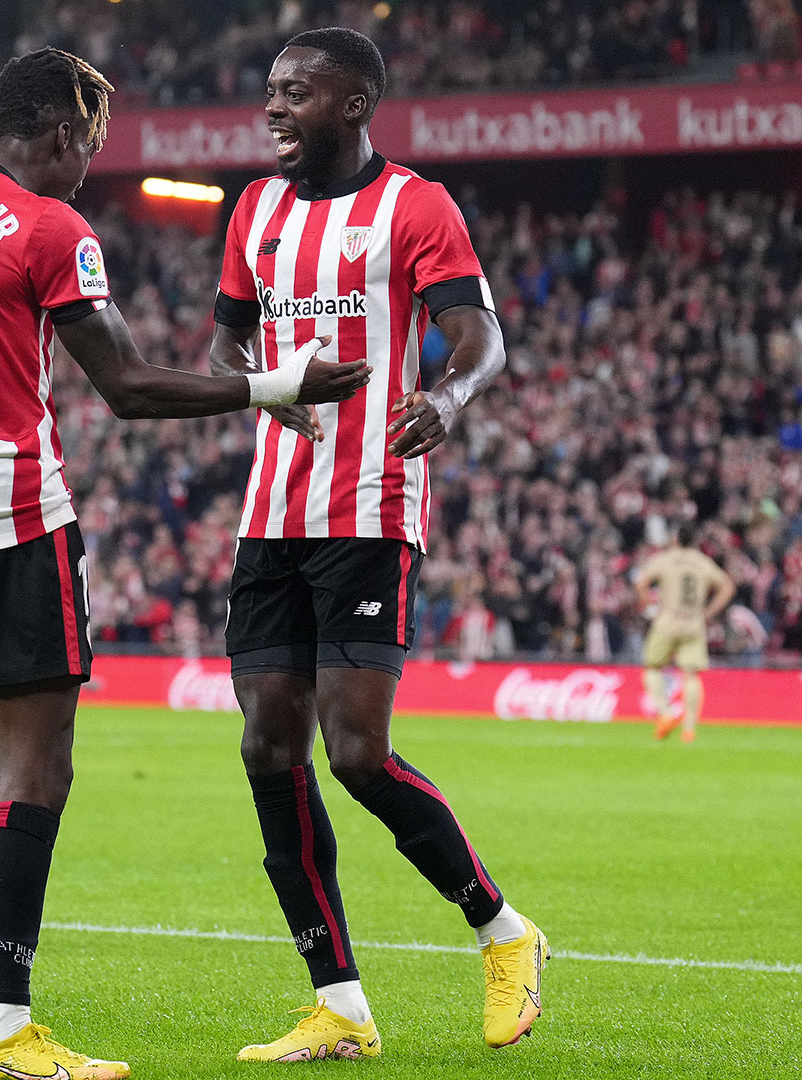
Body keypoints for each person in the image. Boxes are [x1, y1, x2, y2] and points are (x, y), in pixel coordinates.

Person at [0, 47, 369, 1080]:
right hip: (11, 518)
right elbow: (129, 387)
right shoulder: (51, 228)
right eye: (85, 150)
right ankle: (3, 1029)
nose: (86, 170)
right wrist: (275, 386)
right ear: (54, 133)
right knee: (37, 765)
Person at [205, 27, 546, 1061]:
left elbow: (479, 332)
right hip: (272, 514)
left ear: (353, 105)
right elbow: (226, 333)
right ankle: (340, 1006)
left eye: (294, 93)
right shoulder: (253, 210)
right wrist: (263, 385)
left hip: (370, 504)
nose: (272, 109)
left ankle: (504, 931)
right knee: (269, 746)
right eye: (268, 91)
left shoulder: (415, 205)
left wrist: (448, 392)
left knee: (354, 752)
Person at [633, 525, 736, 743]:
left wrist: (649, 605)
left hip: (668, 620)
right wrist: (709, 612)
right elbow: (727, 587)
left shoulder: (665, 559)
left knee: (652, 668)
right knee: (691, 675)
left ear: (676, 539)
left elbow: (641, 583)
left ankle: (666, 714)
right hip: (693, 621)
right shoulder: (702, 561)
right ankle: (689, 729)